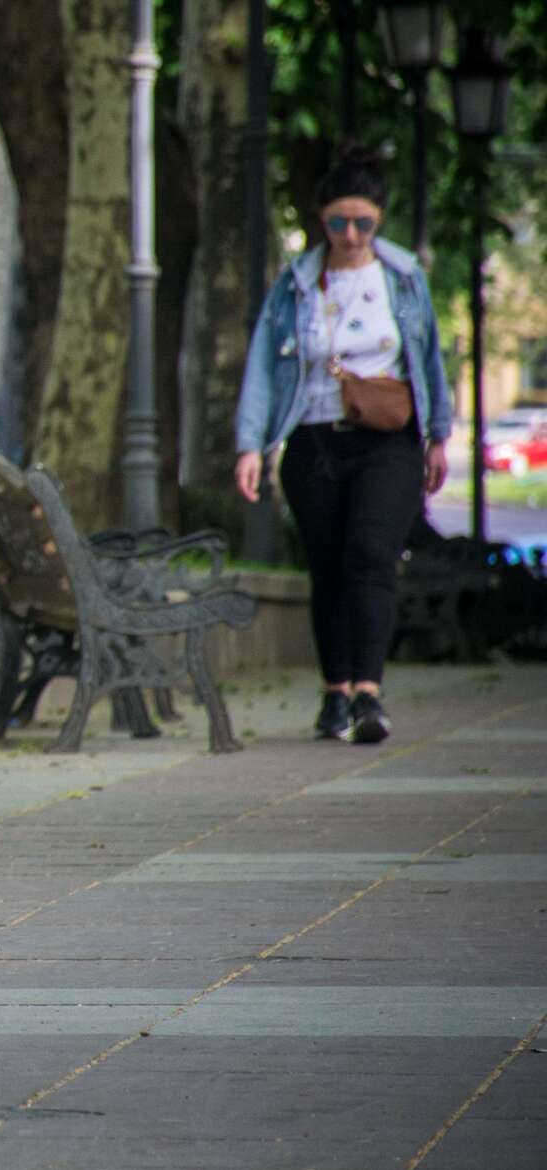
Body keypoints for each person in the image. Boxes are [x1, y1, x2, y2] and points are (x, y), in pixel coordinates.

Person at [232, 146, 452, 744]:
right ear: (321, 221)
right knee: (327, 566)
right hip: (313, 441)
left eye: (363, 223)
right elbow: (261, 365)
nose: (351, 235)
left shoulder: (404, 279)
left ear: (379, 221)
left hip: (389, 440)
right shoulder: (296, 286)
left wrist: (439, 437)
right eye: (338, 223)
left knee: (370, 554)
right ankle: (335, 692)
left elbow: (429, 359)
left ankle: (368, 694)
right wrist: (250, 445)